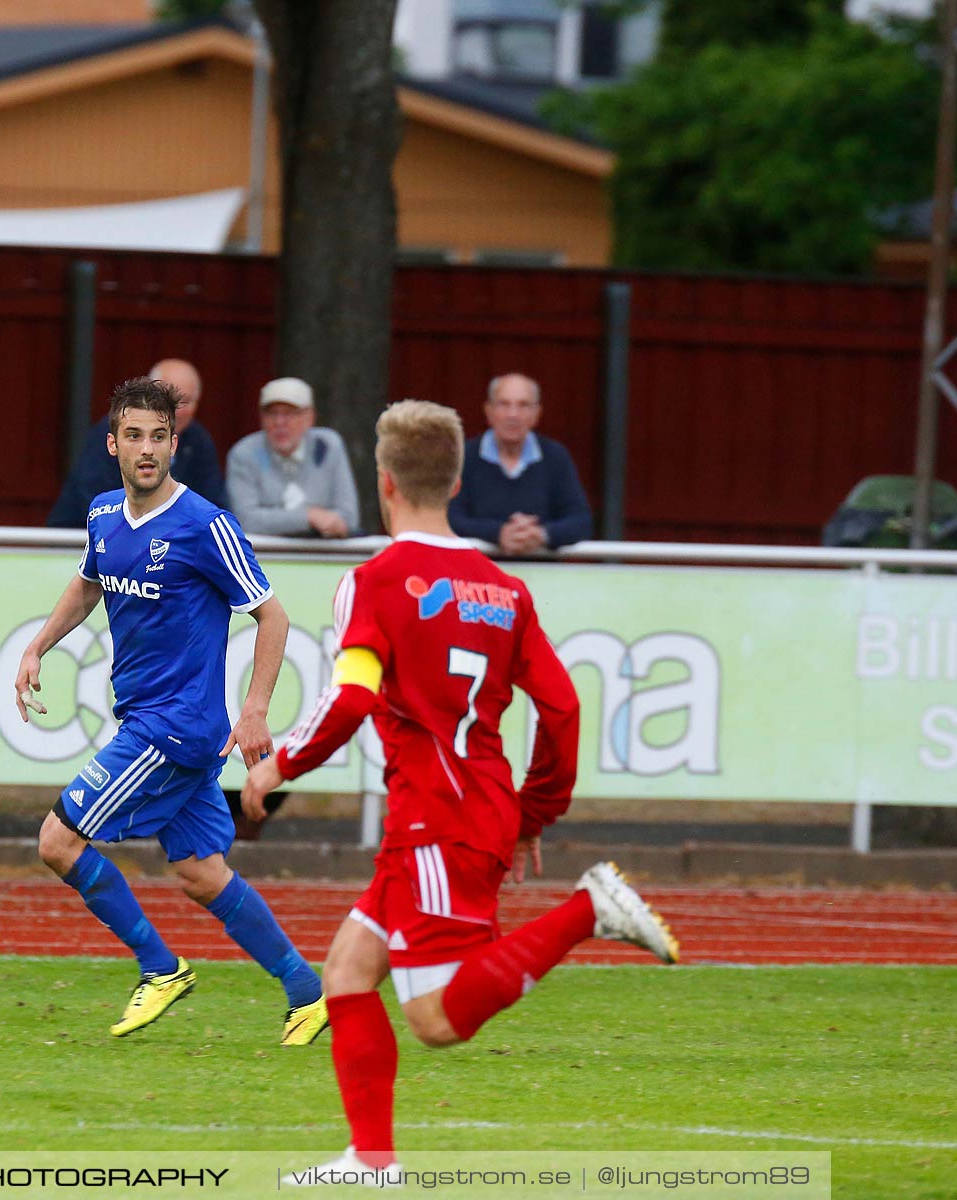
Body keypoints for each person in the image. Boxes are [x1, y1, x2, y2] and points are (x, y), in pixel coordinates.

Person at [242, 399, 678, 1180]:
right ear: (454, 479)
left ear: (384, 484)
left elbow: (350, 699)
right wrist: (532, 812)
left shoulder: (374, 581)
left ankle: (590, 910)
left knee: (436, 1019)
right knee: (346, 972)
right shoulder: (504, 589)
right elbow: (564, 706)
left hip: (434, 818)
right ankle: (372, 1161)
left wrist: (280, 767)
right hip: (472, 807)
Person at [13, 375, 328, 1046]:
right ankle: (307, 993)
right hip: (150, 721)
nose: (146, 449)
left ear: (174, 444)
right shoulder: (102, 515)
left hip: (175, 728)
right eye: (134, 436)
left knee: (57, 841)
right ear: (114, 444)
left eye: (158, 437)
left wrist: (255, 710)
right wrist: (40, 645)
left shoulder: (205, 525)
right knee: (200, 872)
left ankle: (160, 967)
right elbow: (89, 582)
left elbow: (271, 616)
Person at [48, 358, 227, 526]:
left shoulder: (199, 440)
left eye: (185, 402)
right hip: (80, 538)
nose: (176, 411)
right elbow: (91, 497)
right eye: (135, 437)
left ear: (173, 444)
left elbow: (212, 501)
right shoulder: (117, 429)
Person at [449, 373, 593, 554]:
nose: (513, 414)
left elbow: (581, 521)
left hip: (542, 575)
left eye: (523, 405)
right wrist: (498, 533)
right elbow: (449, 518)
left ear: (536, 414)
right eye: (504, 404)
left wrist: (541, 534)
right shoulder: (463, 456)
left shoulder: (555, 456)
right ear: (488, 411)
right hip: (476, 576)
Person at [225, 377, 361, 539]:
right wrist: (309, 517)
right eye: (272, 414)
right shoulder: (244, 453)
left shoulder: (328, 446)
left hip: (322, 555)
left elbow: (349, 518)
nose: (279, 422)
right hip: (264, 557)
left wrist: (277, 520)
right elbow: (245, 520)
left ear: (309, 418)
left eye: (289, 414)